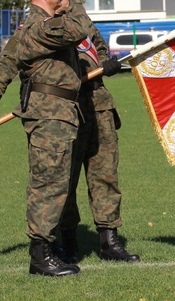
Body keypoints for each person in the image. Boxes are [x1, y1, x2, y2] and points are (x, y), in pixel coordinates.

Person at [0, 0, 90, 276]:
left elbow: (5, 65)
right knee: (48, 184)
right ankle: (40, 256)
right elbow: (80, 28)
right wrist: (76, 0)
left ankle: (48, 249)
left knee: (54, 183)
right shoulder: (41, 27)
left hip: (58, 114)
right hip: (49, 117)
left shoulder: (34, 27)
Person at [58, 23, 141, 264]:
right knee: (65, 179)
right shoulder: (46, 25)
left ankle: (109, 241)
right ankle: (69, 242)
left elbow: (100, 50)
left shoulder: (85, 25)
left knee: (105, 176)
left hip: (99, 105)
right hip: (66, 108)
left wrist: (106, 64)